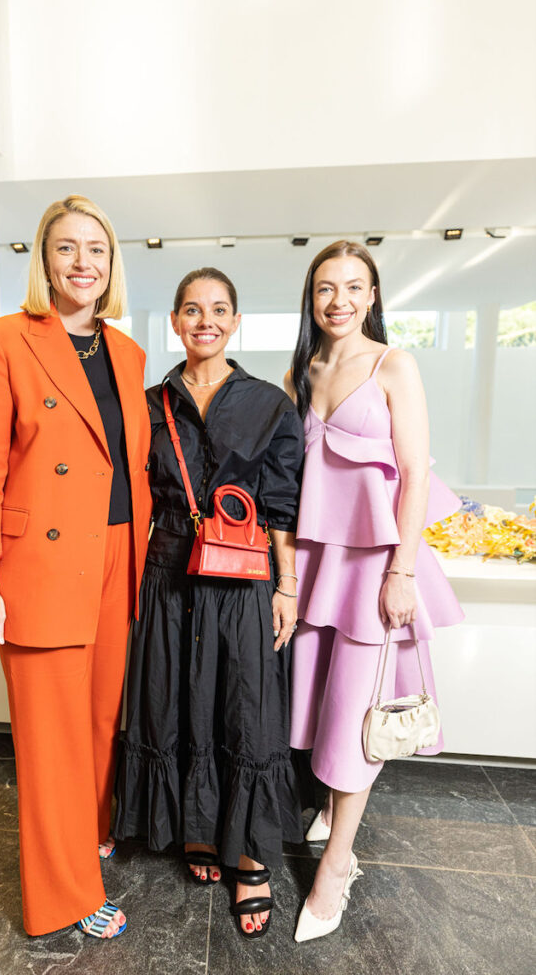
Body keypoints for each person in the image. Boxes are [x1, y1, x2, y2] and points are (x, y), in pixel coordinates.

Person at [0, 195, 152, 940]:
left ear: (112, 265)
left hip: (114, 560)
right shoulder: (1, 341)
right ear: (43, 260)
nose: (83, 263)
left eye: (96, 250)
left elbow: (128, 467)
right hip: (38, 565)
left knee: (101, 724)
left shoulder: (126, 353)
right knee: (52, 740)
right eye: (66, 248)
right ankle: (66, 895)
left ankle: (89, 833)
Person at [114, 267, 305, 939]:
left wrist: (287, 588)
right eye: (192, 310)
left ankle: (250, 858)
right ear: (174, 321)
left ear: (236, 321)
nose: (206, 321)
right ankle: (198, 830)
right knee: (178, 702)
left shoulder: (270, 405)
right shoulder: (147, 403)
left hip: (244, 575)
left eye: (219, 309)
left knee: (245, 708)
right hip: (167, 573)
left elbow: (282, 505)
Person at [285, 240, 463, 942]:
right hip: (319, 561)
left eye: (354, 287)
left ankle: (336, 866)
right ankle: (332, 809)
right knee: (325, 699)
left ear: (374, 295)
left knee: (359, 714)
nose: (339, 301)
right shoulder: (308, 368)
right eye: (327, 288)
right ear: (313, 297)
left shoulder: (395, 364)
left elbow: (415, 474)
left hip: (376, 566)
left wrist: (402, 571)